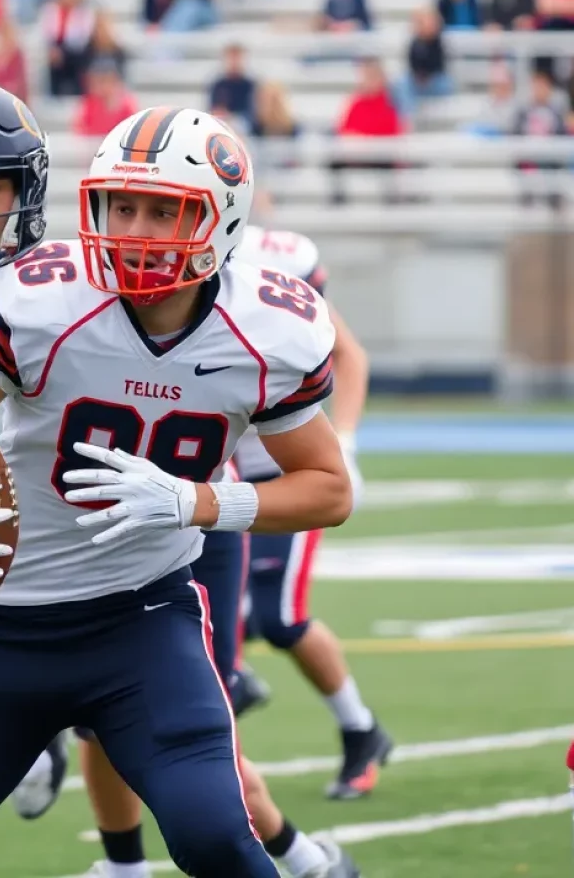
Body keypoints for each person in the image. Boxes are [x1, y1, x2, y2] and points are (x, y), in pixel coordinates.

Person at [0, 96, 354, 877]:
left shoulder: (267, 328)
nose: (135, 231)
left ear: (221, 222)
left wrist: (195, 502)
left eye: (162, 211)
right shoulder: (39, 305)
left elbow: (327, 490)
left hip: (139, 622)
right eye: (120, 206)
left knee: (216, 836)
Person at [223, 223, 393, 799]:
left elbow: (348, 351)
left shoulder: (275, 265)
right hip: (213, 472)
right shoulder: (166, 264)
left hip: (282, 468)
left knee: (279, 616)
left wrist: (343, 441)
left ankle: (359, 730)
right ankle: (228, 688)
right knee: (208, 611)